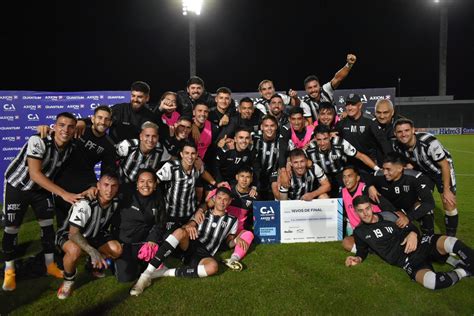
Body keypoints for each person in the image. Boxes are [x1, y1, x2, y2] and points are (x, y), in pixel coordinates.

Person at [2, 112, 82, 291]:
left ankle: (49, 266)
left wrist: (83, 123)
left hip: (41, 190)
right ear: (54, 126)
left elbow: (93, 121)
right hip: (18, 186)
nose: (66, 130)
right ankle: (9, 271)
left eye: (70, 126)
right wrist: (63, 194)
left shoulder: (71, 145)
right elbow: (35, 174)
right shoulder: (38, 140)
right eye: (61, 125)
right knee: (12, 228)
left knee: (47, 227)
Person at [345, 195, 473, 290]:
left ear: (372, 207)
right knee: (432, 282)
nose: (365, 213)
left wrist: (413, 234)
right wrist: (358, 259)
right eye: (360, 211)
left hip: (421, 244)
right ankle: (463, 271)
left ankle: (466, 263)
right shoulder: (360, 232)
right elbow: (362, 251)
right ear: (356, 212)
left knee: (451, 242)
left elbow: (410, 227)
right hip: (406, 260)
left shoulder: (388, 215)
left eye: (367, 208)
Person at [129, 187, 239, 296]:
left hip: (205, 253)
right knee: (180, 231)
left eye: (225, 199)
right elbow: (188, 225)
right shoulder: (202, 213)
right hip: (191, 243)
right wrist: (189, 226)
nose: (222, 201)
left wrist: (236, 241)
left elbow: (228, 243)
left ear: (230, 201)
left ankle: (164, 272)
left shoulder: (233, 220)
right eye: (219, 198)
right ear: (214, 198)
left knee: (213, 267)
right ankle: (145, 275)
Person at [55, 172, 122, 299]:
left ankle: (91, 266)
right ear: (98, 185)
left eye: (114, 186)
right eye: (106, 185)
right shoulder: (85, 202)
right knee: (75, 251)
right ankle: (68, 280)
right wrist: (92, 251)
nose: (109, 190)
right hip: (69, 234)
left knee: (116, 250)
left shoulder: (117, 200)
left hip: (95, 234)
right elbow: (73, 234)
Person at [392, 118, 458, 237]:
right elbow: (409, 161)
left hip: (441, 170)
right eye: (400, 132)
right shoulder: (397, 146)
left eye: (406, 130)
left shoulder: (429, 142)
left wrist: (447, 190)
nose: (403, 134)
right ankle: (429, 237)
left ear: (413, 130)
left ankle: (451, 237)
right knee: (419, 202)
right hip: (423, 172)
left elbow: (444, 165)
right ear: (395, 134)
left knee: (448, 202)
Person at [112, 169, 167, 282]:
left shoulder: (158, 197)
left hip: (144, 242)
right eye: (142, 181)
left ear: (155, 184)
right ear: (137, 183)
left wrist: (152, 239)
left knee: (152, 268)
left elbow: (160, 222)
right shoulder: (126, 194)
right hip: (124, 243)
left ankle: (142, 261)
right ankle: (114, 260)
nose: (145, 185)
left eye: (150, 181)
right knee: (125, 278)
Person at [368, 153, 436, 235]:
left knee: (427, 212)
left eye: (388, 169)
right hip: (390, 209)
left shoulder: (415, 177)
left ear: (400, 168)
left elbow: (429, 203)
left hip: (410, 208)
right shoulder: (379, 175)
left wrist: (408, 218)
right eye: (383, 168)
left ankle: (428, 238)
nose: (385, 172)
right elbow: (365, 178)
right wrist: (370, 186)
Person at [306, 125, 380, 197]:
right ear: (315, 138)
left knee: (344, 195)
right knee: (323, 196)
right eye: (319, 140)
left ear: (330, 136)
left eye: (325, 139)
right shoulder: (309, 148)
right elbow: (297, 158)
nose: (322, 143)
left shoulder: (341, 143)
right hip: (323, 177)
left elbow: (360, 156)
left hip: (340, 174)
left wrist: (377, 169)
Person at [156, 141, 215, 232]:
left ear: (196, 155)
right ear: (181, 154)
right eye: (187, 153)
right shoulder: (171, 167)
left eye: (193, 153)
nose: (190, 157)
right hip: (171, 214)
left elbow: (203, 173)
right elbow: (155, 181)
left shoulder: (197, 166)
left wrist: (215, 183)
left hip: (189, 213)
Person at [206, 167, 256, 271]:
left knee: (249, 234)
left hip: (237, 231)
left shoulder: (253, 196)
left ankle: (234, 259)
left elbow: (257, 216)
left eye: (248, 177)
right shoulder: (228, 190)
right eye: (242, 176)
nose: (244, 180)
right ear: (237, 177)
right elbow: (209, 202)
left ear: (251, 179)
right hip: (222, 226)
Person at [76, 81, 158, 143]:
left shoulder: (151, 116)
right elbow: (101, 118)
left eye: (139, 97)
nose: (135, 100)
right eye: (133, 96)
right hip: (114, 152)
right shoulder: (119, 108)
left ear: (147, 98)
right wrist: (82, 121)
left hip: (136, 156)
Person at [335, 93, 392, 173]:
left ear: (360, 105)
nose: (350, 108)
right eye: (348, 105)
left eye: (353, 104)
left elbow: (383, 142)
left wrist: (391, 161)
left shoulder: (370, 121)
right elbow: (333, 138)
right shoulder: (341, 122)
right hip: (349, 165)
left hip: (369, 164)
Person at [300, 54, 357, 124]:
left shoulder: (325, 90)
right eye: (310, 88)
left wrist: (349, 64)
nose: (313, 90)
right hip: (318, 131)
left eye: (315, 86)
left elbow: (338, 78)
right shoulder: (305, 102)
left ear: (319, 86)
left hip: (335, 127)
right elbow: (309, 125)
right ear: (306, 90)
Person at [116, 121, 164, 186]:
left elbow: (171, 159)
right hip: (122, 182)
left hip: (143, 187)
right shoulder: (127, 146)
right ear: (141, 136)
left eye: (154, 136)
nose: (150, 140)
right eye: (147, 135)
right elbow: (111, 157)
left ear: (158, 138)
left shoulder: (160, 149)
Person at [252, 115, 280, 200]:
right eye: (266, 126)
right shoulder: (254, 138)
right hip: (256, 176)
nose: (269, 128)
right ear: (262, 127)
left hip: (274, 176)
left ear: (276, 127)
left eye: (272, 126)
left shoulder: (282, 140)